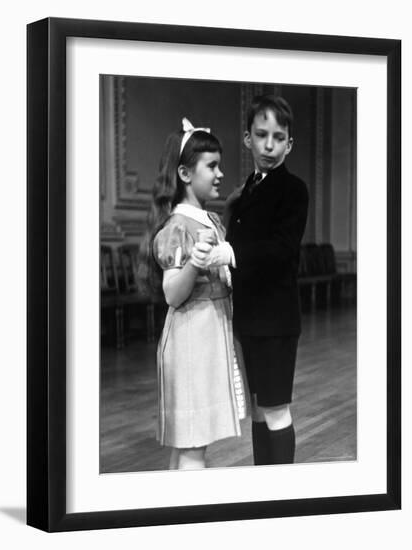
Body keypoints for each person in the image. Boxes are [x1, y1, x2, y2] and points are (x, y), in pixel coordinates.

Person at [138, 118, 246, 470]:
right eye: (211, 166)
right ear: (185, 174)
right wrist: (195, 262)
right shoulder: (178, 227)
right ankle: (190, 519)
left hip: (210, 335)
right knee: (192, 446)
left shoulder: (210, 221)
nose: (219, 173)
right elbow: (172, 294)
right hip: (190, 341)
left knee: (191, 444)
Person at [224, 95, 309, 465]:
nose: (269, 145)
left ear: (289, 143)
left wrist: (232, 254)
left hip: (275, 322)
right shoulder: (246, 190)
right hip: (248, 319)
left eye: (278, 137)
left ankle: (282, 494)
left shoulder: (293, 190)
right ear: (248, 139)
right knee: (258, 409)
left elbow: (282, 250)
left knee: (275, 410)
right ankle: (265, 488)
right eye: (261, 135)